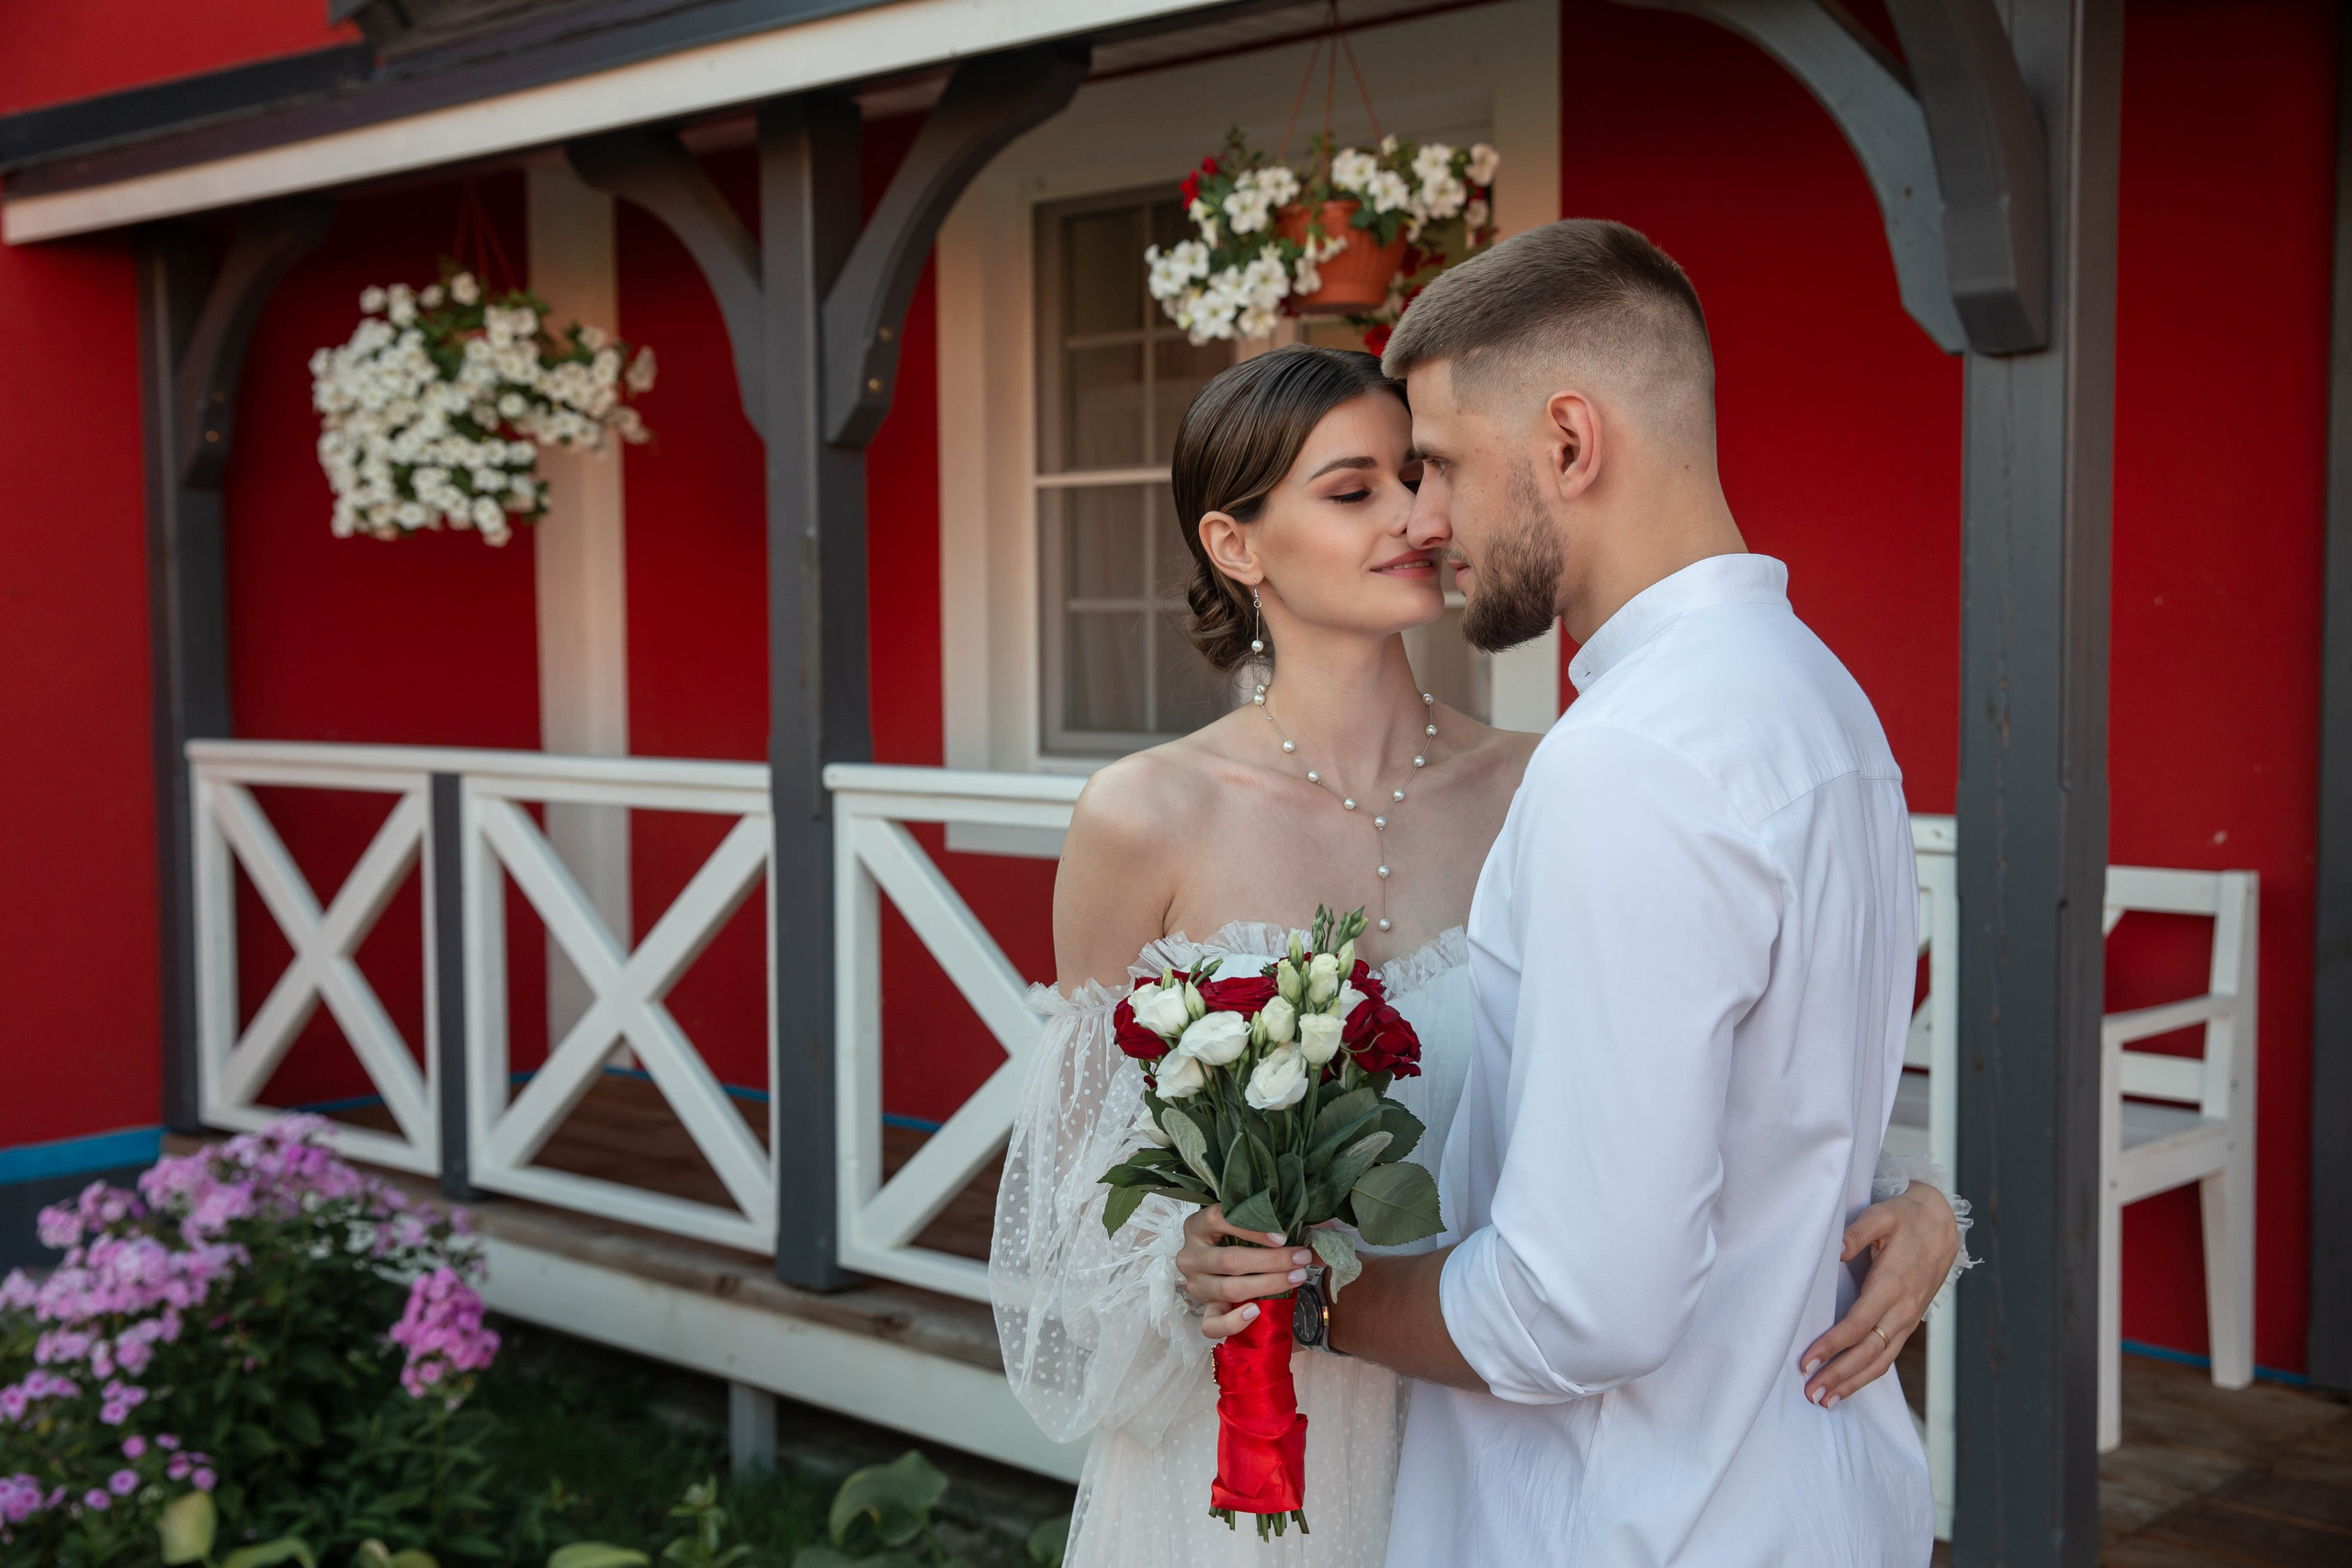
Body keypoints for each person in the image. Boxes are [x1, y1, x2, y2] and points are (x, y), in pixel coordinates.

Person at [989, 338, 1963, 1568]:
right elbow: (1075, 1206)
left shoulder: (1554, 780)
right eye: (1354, 492)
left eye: (1417, 473)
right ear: (1236, 547)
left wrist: (1904, 1204)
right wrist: (1185, 1266)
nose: (1413, 514)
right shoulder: (1144, 817)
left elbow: (1694, 1084)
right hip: (1264, 1444)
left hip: (1507, 1435)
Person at [1299, 220, 1941, 1564]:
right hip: (1815, 1493)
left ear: (1571, 444)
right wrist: (1926, 1206)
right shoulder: (1826, 707)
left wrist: (1321, 1306)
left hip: (1630, 1519)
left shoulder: (1632, 763)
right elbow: (1785, 1105)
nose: (1426, 523)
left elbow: (1580, 1308)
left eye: (1446, 467)